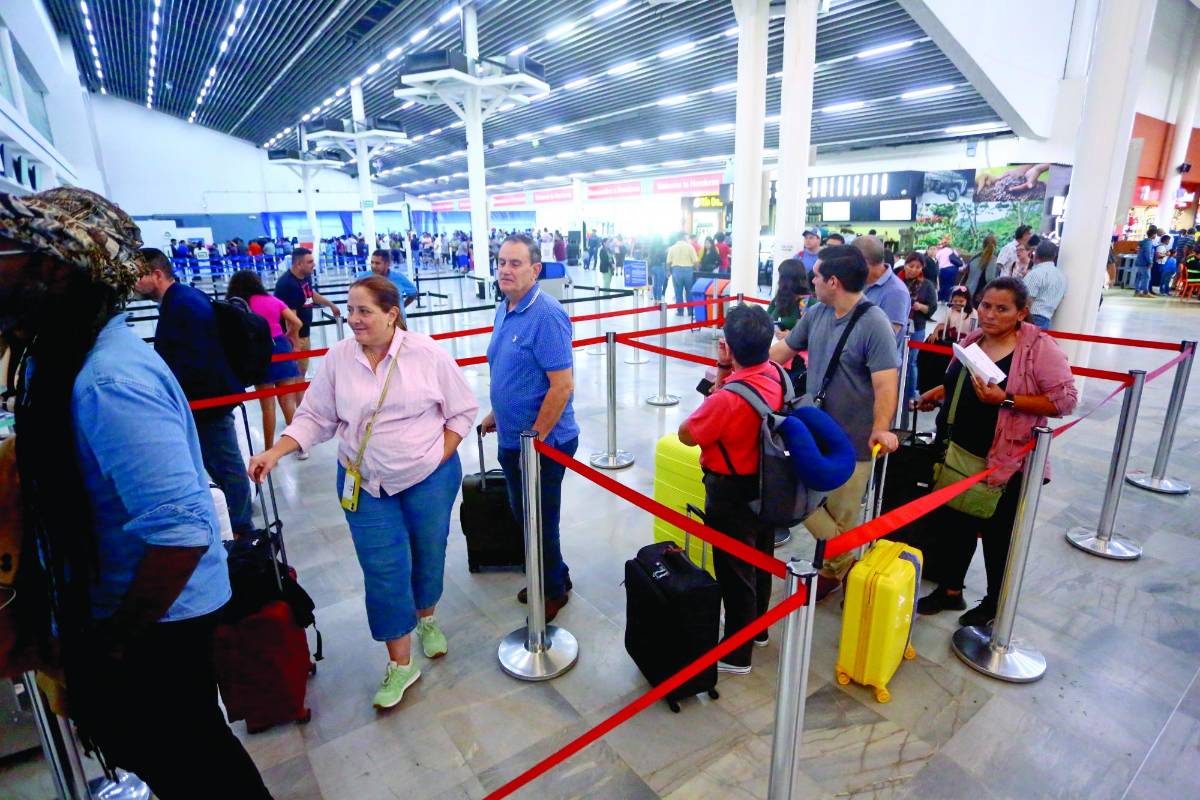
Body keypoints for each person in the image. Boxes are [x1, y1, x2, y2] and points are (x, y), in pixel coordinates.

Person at [0, 187, 271, 797]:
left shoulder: (108, 379)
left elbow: (178, 531)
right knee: (178, 752)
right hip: (122, 604)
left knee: (192, 757)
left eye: (8, 252)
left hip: (156, 618)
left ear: (55, 269)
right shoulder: (60, 357)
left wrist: (116, 641)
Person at [248, 276, 476, 709]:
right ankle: (401, 663)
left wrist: (437, 458)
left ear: (392, 315)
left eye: (363, 311)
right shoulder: (338, 358)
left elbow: (462, 412)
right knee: (383, 568)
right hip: (365, 484)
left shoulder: (425, 355)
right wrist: (277, 449)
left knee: (428, 550)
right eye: (350, 310)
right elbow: (316, 416)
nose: (352, 319)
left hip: (428, 479)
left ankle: (426, 616)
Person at [914, 277, 1077, 626]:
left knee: (997, 534)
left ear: (1022, 313)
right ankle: (951, 589)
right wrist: (939, 392)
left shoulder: (1037, 349)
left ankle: (993, 603)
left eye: (1001, 309)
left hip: (1004, 461)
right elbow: (964, 379)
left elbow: (1065, 401)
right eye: (986, 305)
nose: (990, 314)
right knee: (955, 522)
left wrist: (1004, 398)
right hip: (959, 452)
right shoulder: (975, 337)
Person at [770, 245, 899, 598]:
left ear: (833, 281)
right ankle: (846, 560)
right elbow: (781, 354)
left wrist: (881, 427)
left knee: (842, 511)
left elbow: (886, 382)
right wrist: (747, 360)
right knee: (801, 501)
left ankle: (833, 567)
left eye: (816, 275)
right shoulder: (817, 312)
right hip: (813, 431)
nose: (810, 279)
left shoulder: (874, 324)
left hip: (853, 440)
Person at [677, 305, 782, 674]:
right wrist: (726, 369)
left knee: (735, 572)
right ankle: (759, 629)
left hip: (730, 492)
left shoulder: (727, 400)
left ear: (730, 346)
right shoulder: (778, 375)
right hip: (770, 484)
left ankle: (737, 653)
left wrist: (722, 378)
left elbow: (687, 434)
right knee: (762, 558)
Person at [480, 234, 578, 621]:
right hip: (513, 435)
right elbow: (513, 369)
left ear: (536, 270)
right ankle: (556, 574)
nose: (505, 269)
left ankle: (552, 590)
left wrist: (534, 439)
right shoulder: (506, 307)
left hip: (543, 442)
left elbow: (562, 385)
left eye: (515, 263)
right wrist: (496, 412)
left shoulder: (547, 315)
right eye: (501, 261)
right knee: (525, 515)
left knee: (539, 519)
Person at [133, 249, 256, 540]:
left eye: (138, 275)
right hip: (202, 402)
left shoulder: (183, 304)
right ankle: (238, 524)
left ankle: (242, 529)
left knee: (227, 465)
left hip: (207, 404)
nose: (133, 283)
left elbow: (198, 358)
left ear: (157, 274)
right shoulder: (182, 299)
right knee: (220, 464)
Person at [226, 270, 303, 450]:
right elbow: (297, 322)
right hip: (282, 349)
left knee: (267, 408)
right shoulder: (273, 301)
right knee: (288, 403)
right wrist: (289, 336)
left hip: (259, 354)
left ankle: (269, 450)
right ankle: (299, 447)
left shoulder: (240, 305)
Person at [274, 247, 341, 379]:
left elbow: (310, 294)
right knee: (294, 377)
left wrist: (330, 305)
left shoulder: (305, 277)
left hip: (304, 333)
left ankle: (301, 400)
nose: (314, 264)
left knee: (301, 374)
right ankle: (299, 400)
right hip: (294, 337)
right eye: (310, 262)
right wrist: (295, 343)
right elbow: (290, 318)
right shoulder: (287, 284)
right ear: (299, 264)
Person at [855, 235, 911, 358]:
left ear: (863, 262)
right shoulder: (860, 281)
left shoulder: (895, 292)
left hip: (876, 369)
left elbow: (887, 337)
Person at [903, 252, 938, 402]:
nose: (914, 270)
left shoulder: (927, 285)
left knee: (911, 361)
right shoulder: (897, 280)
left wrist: (921, 307)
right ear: (905, 265)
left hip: (917, 327)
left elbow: (932, 307)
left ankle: (910, 396)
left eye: (918, 267)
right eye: (911, 266)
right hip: (898, 326)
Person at [361, 248, 417, 323]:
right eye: (372, 262)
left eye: (377, 263)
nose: (373, 266)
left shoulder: (398, 277)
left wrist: (402, 306)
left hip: (397, 322)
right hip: (373, 323)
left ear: (387, 264)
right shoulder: (364, 278)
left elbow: (413, 292)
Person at [1023, 240, 1067, 329]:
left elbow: (1026, 301)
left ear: (1036, 255)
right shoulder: (1061, 276)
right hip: (1046, 320)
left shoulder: (1035, 273)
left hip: (1031, 319)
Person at [667, 231, 699, 316]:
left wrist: (669, 272)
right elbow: (695, 261)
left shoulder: (672, 248)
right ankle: (690, 311)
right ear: (684, 238)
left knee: (678, 292)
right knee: (689, 292)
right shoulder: (690, 247)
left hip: (676, 271)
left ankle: (680, 311)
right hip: (689, 271)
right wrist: (697, 270)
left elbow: (668, 262)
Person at [964, 234, 999, 306]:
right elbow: (990, 278)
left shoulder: (974, 257)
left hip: (968, 291)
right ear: (995, 246)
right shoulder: (993, 259)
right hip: (980, 295)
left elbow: (967, 273)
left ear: (983, 245)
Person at [1133, 225, 1157, 298]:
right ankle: (1145, 292)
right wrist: (1150, 262)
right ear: (1153, 235)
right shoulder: (1149, 243)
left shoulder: (1144, 241)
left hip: (1140, 262)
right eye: (1155, 234)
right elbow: (1148, 253)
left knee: (1139, 277)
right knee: (1146, 277)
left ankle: (1137, 291)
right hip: (1145, 263)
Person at [647, 234, 669, 302]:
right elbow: (664, 258)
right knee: (659, 285)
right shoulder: (662, 248)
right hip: (660, 266)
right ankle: (658, 300)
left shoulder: (652, 247)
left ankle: (655, 299)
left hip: (653, 267)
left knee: (655, 284)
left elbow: (649, 257)